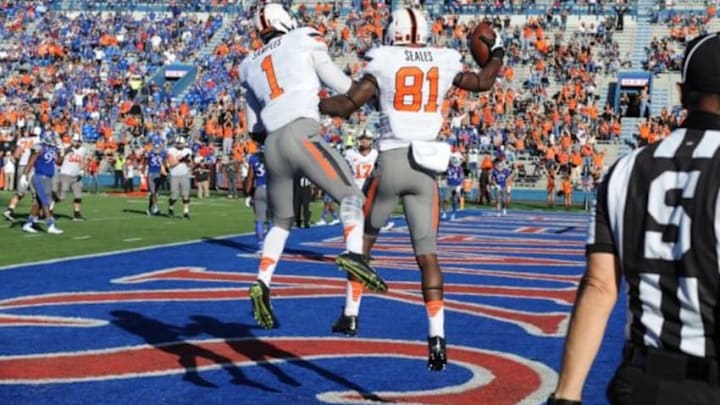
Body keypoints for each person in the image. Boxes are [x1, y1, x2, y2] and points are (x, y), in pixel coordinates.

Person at [320, 7, 504, 371]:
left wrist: (312, 105)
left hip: (390, 162)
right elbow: (484, 82)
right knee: (428, 257)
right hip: (426, 169)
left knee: (362, 244)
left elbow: (347, 105)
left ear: (395, 32)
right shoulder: (444, 59)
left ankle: (351, 314)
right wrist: (497, 52)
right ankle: (437, 338)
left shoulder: (385, 59)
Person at [550, 33, 720, 405]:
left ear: (680, 93)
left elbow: (599, 286)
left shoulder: (627, 167)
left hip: (644, 380)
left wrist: (566, 394)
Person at [240, 3, 387, 330]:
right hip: (300, 133)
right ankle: (354, 254)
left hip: (272, 144)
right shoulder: (303, 37)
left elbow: (254, 127)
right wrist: (364, 93)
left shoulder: (249, 64)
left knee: (281, 221)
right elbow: (340, 84)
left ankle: (262, 281)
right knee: (351, 196)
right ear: (285, 21)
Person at [20, 131, 63, 234]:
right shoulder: (39, 147)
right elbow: (31, 162)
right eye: (53, 137)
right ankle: (50, 225)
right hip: (39, 177)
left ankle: (28, 224)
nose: (55, 139)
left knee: (39, 203)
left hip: (48, 178)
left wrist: (61, 152)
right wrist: (24, 175)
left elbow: (59, 162)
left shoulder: (53, 149)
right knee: (45, 201)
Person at [3, 129, 40, 221]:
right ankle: (34, 215)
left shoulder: (22, 140)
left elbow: (16, 155)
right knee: (35, 193)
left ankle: (9, 210)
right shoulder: (38, 140)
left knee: (20, 192)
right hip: (32, 167)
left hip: (21, 166)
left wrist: (22, 158)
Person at [56, 134, 88, 220]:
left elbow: (83, 160)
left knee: (78, 196)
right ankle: (48, 210)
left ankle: (76, 214)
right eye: (76, 141)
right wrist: (70, 146)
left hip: (77, 175)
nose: (77, 143)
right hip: (65, 174)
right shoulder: (67, 147)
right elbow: (61, 155)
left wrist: (82, 170)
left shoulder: (83, 150)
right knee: (61, 197)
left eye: (79, 141)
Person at [244, 145, 270, 253]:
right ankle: (270, 245)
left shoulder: (254, 158)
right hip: (273, 190)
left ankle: (261, 245)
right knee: (271, 220)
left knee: (259, 220)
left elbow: (250, 178)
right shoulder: (277, 158)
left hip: (259, 189)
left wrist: (247, 194)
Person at [165, 136, 192, 219]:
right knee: (174, 195)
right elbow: (171, 164)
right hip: (174, 175)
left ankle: (186, 212)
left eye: (181, 143)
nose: (179, 145)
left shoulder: (188, 151)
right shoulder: (171, 151)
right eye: (178, 143)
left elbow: (191, 164)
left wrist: (187, 161)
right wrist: (181, 160)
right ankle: (171, 207)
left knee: (185, 194)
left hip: (184, 174)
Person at [144, 139, 167, 216]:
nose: (156, 149)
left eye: (158, 148)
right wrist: (143, 170)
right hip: (151, 173)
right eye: (155, 148)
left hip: (159, 174)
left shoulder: (163, 154)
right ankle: (155, 208)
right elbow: (146, 162)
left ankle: (150, 208)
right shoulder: (150, 153)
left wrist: (165, 170)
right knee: (153, 192)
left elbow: (164, 163)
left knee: (155, 193)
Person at [442, 153, 464, 221]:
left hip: (456, 185)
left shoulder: (459, 168)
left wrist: (459, 185)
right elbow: (445, 174)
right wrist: (444, 179)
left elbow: (461, 177)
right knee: (446, 199)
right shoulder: (448, 167)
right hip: (449, 185)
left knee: (454, 200)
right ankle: (445, 212)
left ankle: (453, 213)